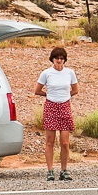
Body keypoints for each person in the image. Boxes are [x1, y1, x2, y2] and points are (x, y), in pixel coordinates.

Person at [34, 46, 79, 180]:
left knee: (64, 142)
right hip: (51, 107)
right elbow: (37, 90)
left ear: (64, 60)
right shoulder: (46, 73)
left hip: (65, 106)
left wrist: (65, 95)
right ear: (52, 59)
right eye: (56, 58)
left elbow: (75, 90)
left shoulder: (69, 72)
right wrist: (48, 94)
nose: (59, 60)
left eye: (61, 58)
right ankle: (50, 171)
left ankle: (64, 170)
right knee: (50, 142)